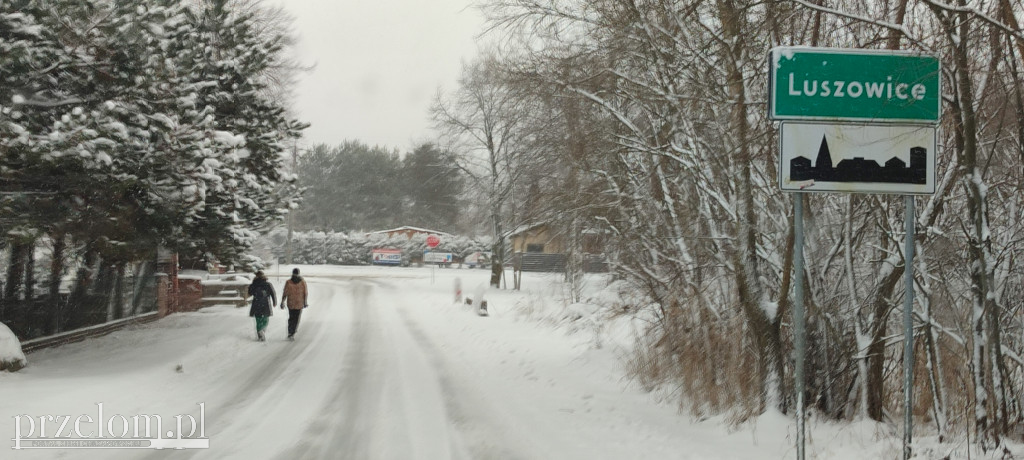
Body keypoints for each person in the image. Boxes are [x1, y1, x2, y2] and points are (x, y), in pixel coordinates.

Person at [247, 271, 276, 342]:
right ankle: (262, 330)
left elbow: (250, 293)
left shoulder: (254, 284)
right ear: (263, 276)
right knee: (265, 319)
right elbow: (273, 293)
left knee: (258, 320)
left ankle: (260, 333)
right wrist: (274, 302)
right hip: (265, 303)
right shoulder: (267, 284)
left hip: (256, 303)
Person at [280, 268, 308, 340]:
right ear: (299, 273)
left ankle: (290, 332)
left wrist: (282, 301)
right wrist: (305, 302)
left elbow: (285, 292)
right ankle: (292, 332)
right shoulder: (302, 282)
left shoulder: (288, 282)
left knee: (291, 318)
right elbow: (305, 293)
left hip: (291, 302)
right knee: (296, 318)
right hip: (299, 303)